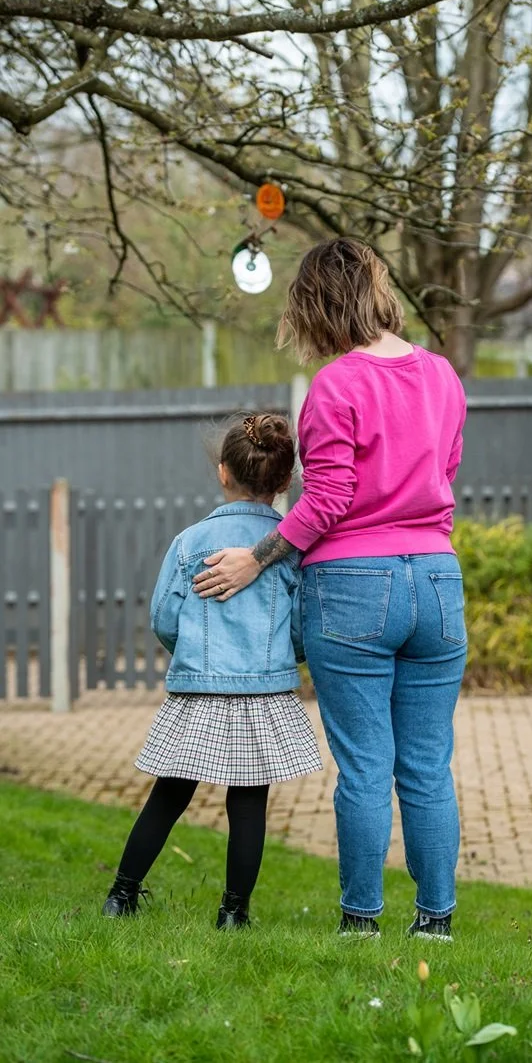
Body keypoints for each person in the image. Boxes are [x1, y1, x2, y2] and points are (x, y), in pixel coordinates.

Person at [193, 238, 467, 941]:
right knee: (428, 765)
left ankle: (360, 923)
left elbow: (333, 496)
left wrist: (256, 557)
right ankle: (435, 921)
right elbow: (447, 470)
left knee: (366, 766)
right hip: (437, 579)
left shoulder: (337, 385)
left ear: (317, 304)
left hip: (355, 588)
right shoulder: (442, 375)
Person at [102, 412, 322, 929]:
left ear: (223, 472)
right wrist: (281, 659)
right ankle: (233, 913)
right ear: (286, 479)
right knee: (248, 805)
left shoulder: (189, 543)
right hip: (264, 695)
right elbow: (301, 629)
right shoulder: (290, 550)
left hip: (197, 692)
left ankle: (121, 896)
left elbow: (164, 617)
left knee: (169, 794)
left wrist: (192, 656)